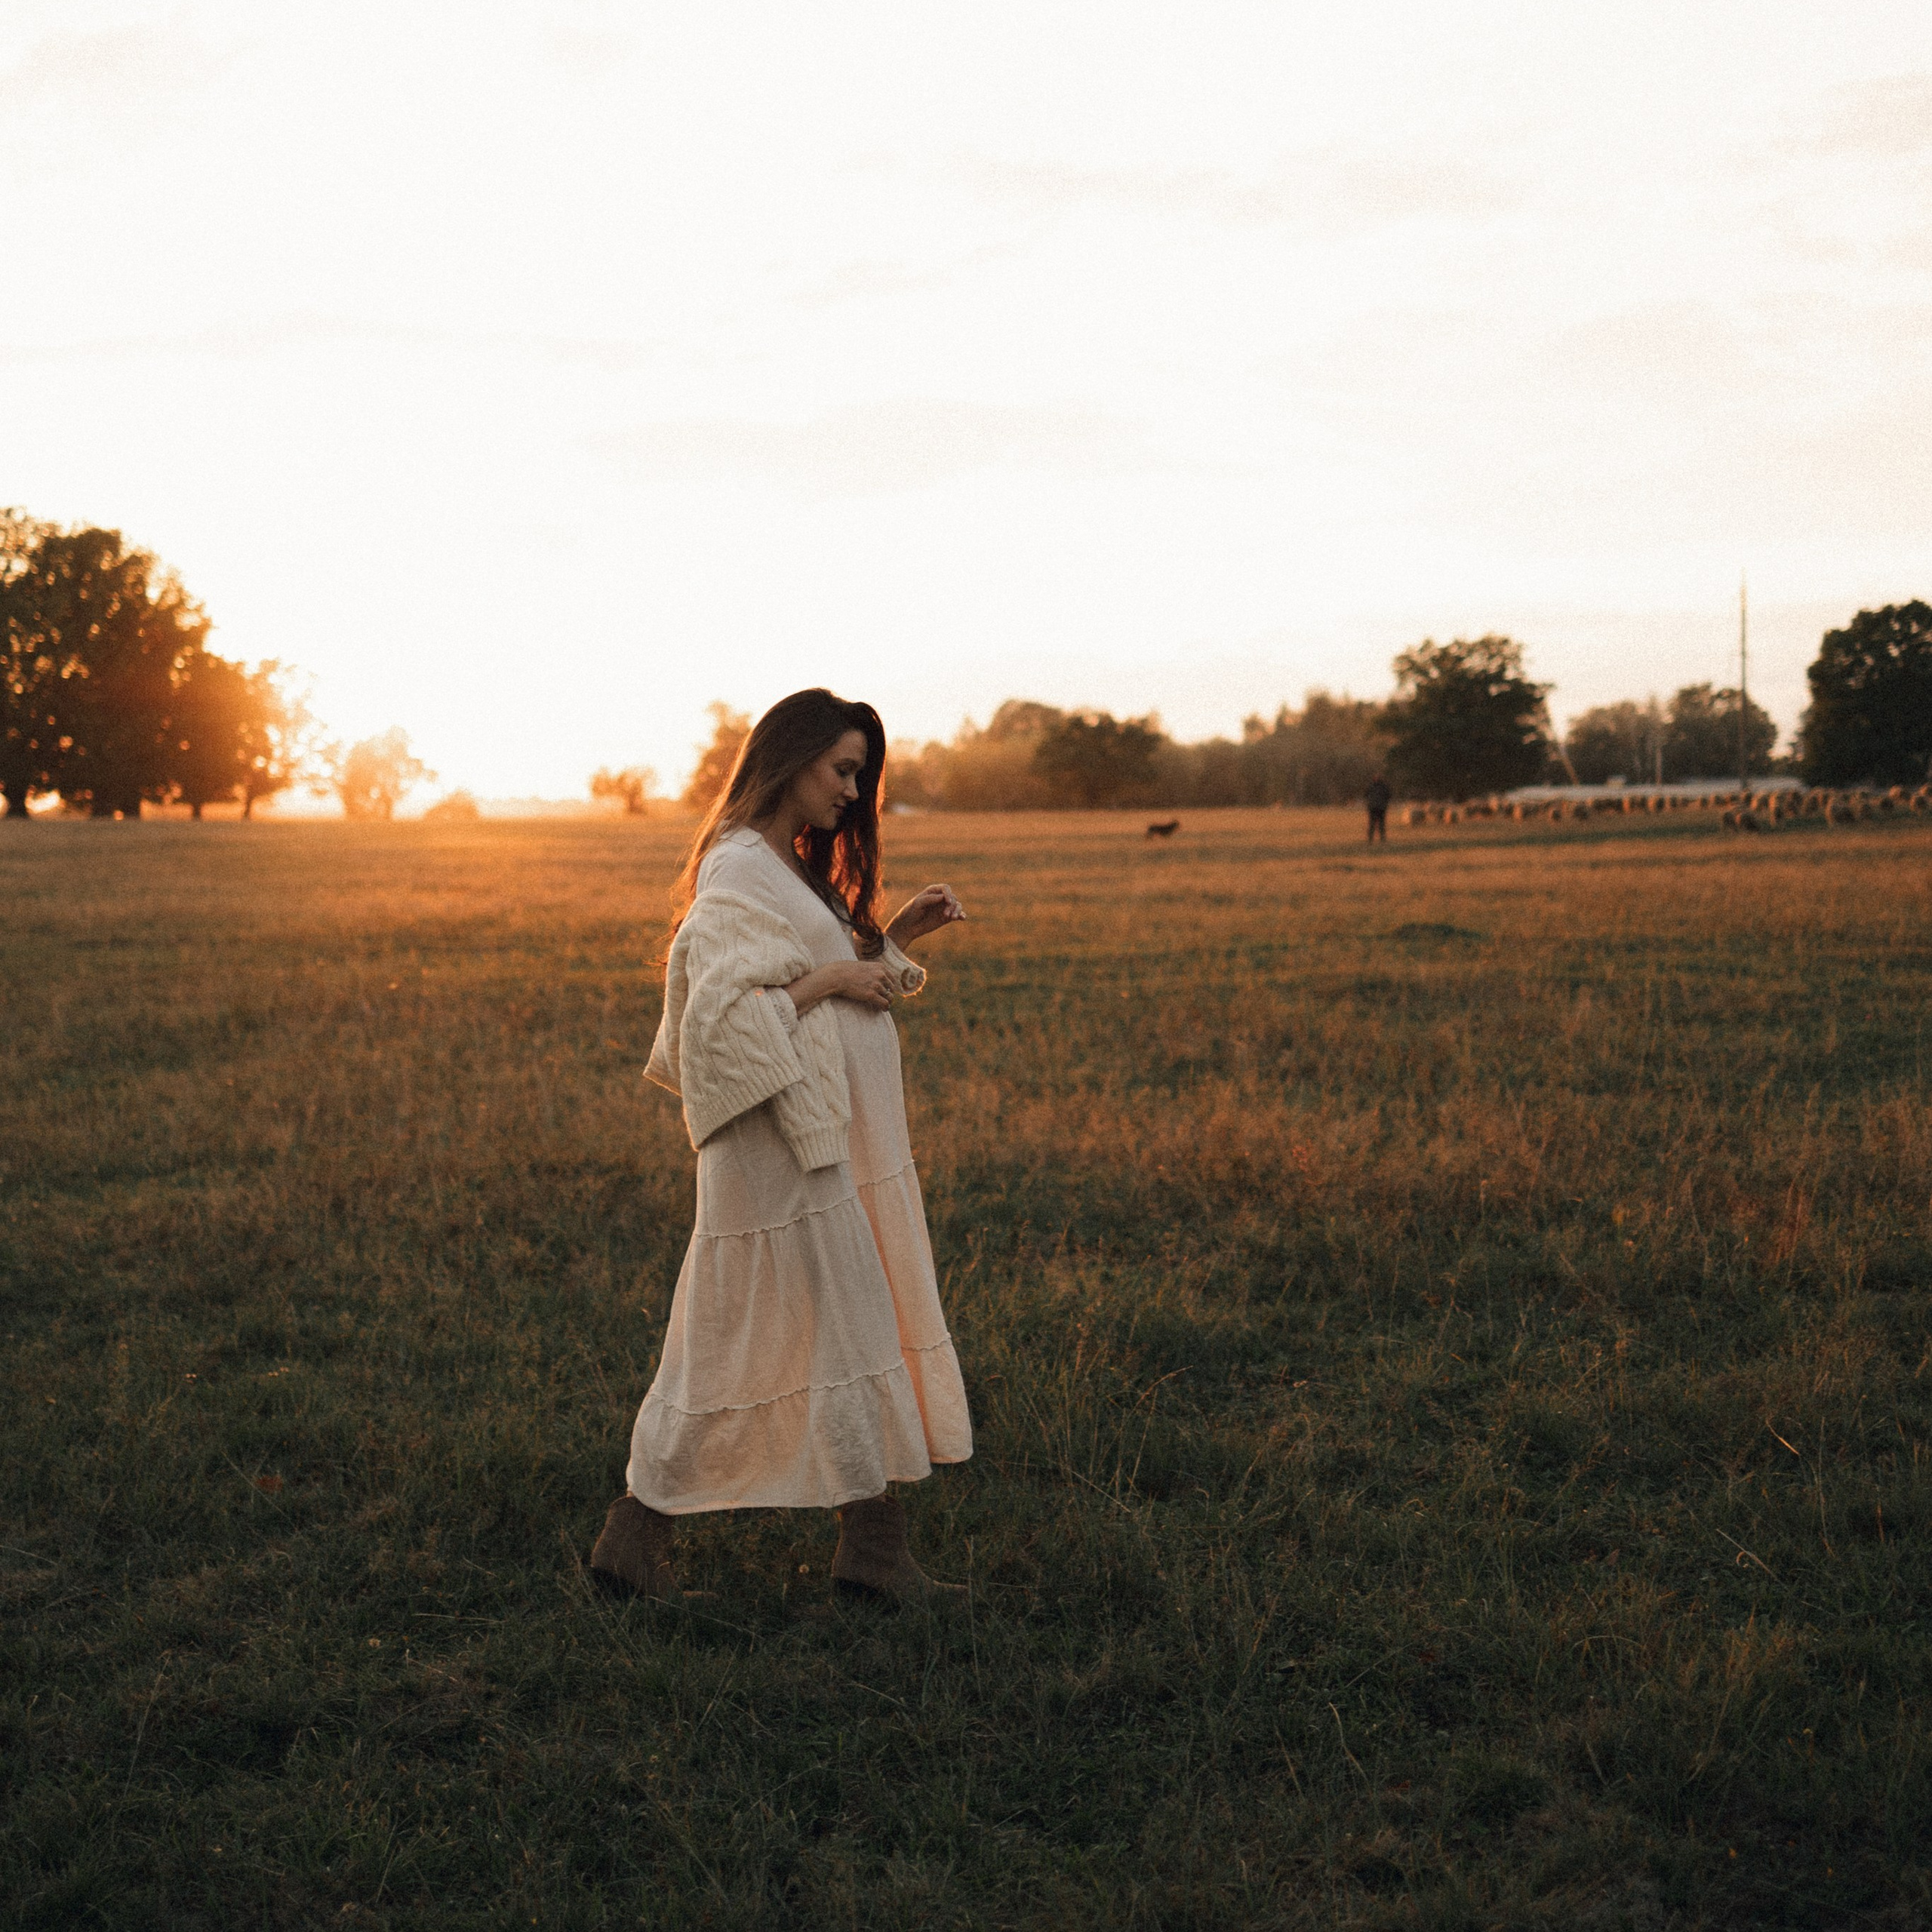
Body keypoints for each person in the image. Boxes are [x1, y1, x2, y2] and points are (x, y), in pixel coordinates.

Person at [590, 688, 973, 1607]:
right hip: (782, 1152)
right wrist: (839, 971)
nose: (853, 791)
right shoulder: (735, 872)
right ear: (789, 757)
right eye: (843, 770)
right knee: (741, 1336)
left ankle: (868, 1548)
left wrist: (891, 937)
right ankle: (638, 1534)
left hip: (830, 1144)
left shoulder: (783, 867)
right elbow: (715, 1024)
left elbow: (813, 975)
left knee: (847, 1322)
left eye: (860, 774)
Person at [1364, 773, 1392, 844]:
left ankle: (1372, 839)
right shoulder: (1384, 787)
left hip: (1375, 808)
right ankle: (1379, 839)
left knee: (1374, 824)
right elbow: (1389, 796)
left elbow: (1365, 795)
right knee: (1379, 824)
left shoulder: (1371, 786)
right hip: (1379, 808)